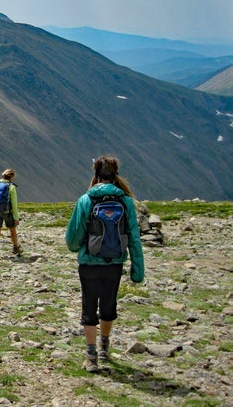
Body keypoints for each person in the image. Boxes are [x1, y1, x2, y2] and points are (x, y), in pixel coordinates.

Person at [65, 156, 145, 373]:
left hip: (89, 263)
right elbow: (134, 238)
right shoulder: (126, 201)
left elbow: (73, 237)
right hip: (115, 262)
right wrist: (138, 271)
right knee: (108, 305)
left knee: (89, 306)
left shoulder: (85, 200)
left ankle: (90, 356)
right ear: (115, 175)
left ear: (96, 174)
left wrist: (79, 248)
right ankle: (104, 347)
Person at [0, 168, 22, 257]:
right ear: (11, 177)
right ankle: (15, 247)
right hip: (7, 213)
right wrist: (16, 218)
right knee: (12, 230)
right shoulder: (11, 187)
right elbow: (14, 204)